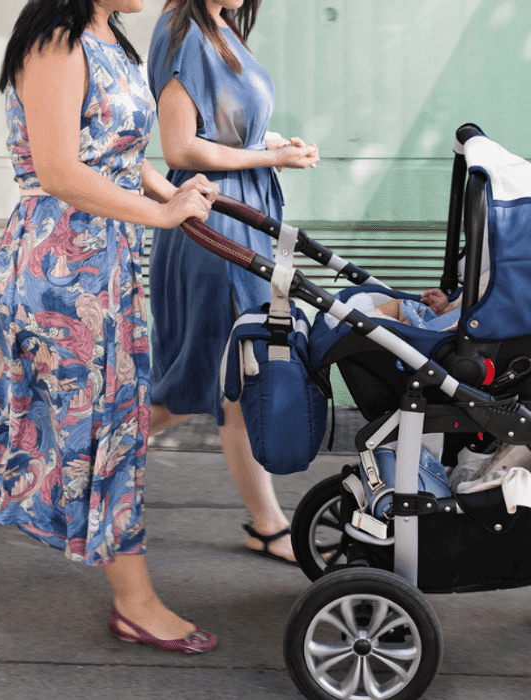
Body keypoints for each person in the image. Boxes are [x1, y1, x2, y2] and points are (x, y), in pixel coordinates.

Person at [0, 0, 222, 655]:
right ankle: (135, 602)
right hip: (59, 271)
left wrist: (170, 194)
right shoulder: (55, 43)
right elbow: (60, 170)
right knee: (100, 429)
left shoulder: (109, 37)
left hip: (103, 263)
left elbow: (115, 152)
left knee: (32, 424)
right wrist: (161, 215)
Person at [145, 0, 320, 564]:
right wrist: (264, 158)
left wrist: (276, 146)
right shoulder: (182, 29)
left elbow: (228, 134)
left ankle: (266, 523)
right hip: (211, 228)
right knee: (217, 378)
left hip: (237, 220)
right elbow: (180, 148)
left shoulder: (220, 28)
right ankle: (67, 467)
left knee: (219, 378)